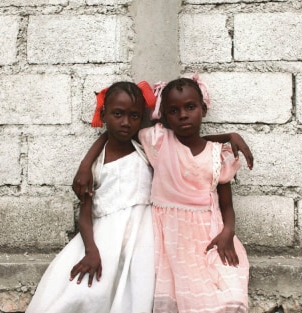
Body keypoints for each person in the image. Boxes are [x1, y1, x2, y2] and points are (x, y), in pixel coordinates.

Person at [74, 75, 251, 313]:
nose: (183, 115)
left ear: (203, 109)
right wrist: (86, 164)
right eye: (174, 110)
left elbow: (227, 205)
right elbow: (114, 132)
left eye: (190, 107)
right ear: (165, 117)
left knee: (226, 291)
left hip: (208, 232)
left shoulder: (217, 155)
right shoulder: (157, 141)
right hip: (170, 236)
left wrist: (228, 231)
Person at [26, 81, 157, 313]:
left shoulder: (146, 151)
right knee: (88, 292)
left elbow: (184, 139)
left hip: (144, 239)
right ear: (103, 114)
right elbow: (85, 214)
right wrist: (91, 251)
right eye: (118, 114)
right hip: (104, 239)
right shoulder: (95, 166)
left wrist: (228, 136)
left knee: (139, 292)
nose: (126, 122)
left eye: (134, 116)